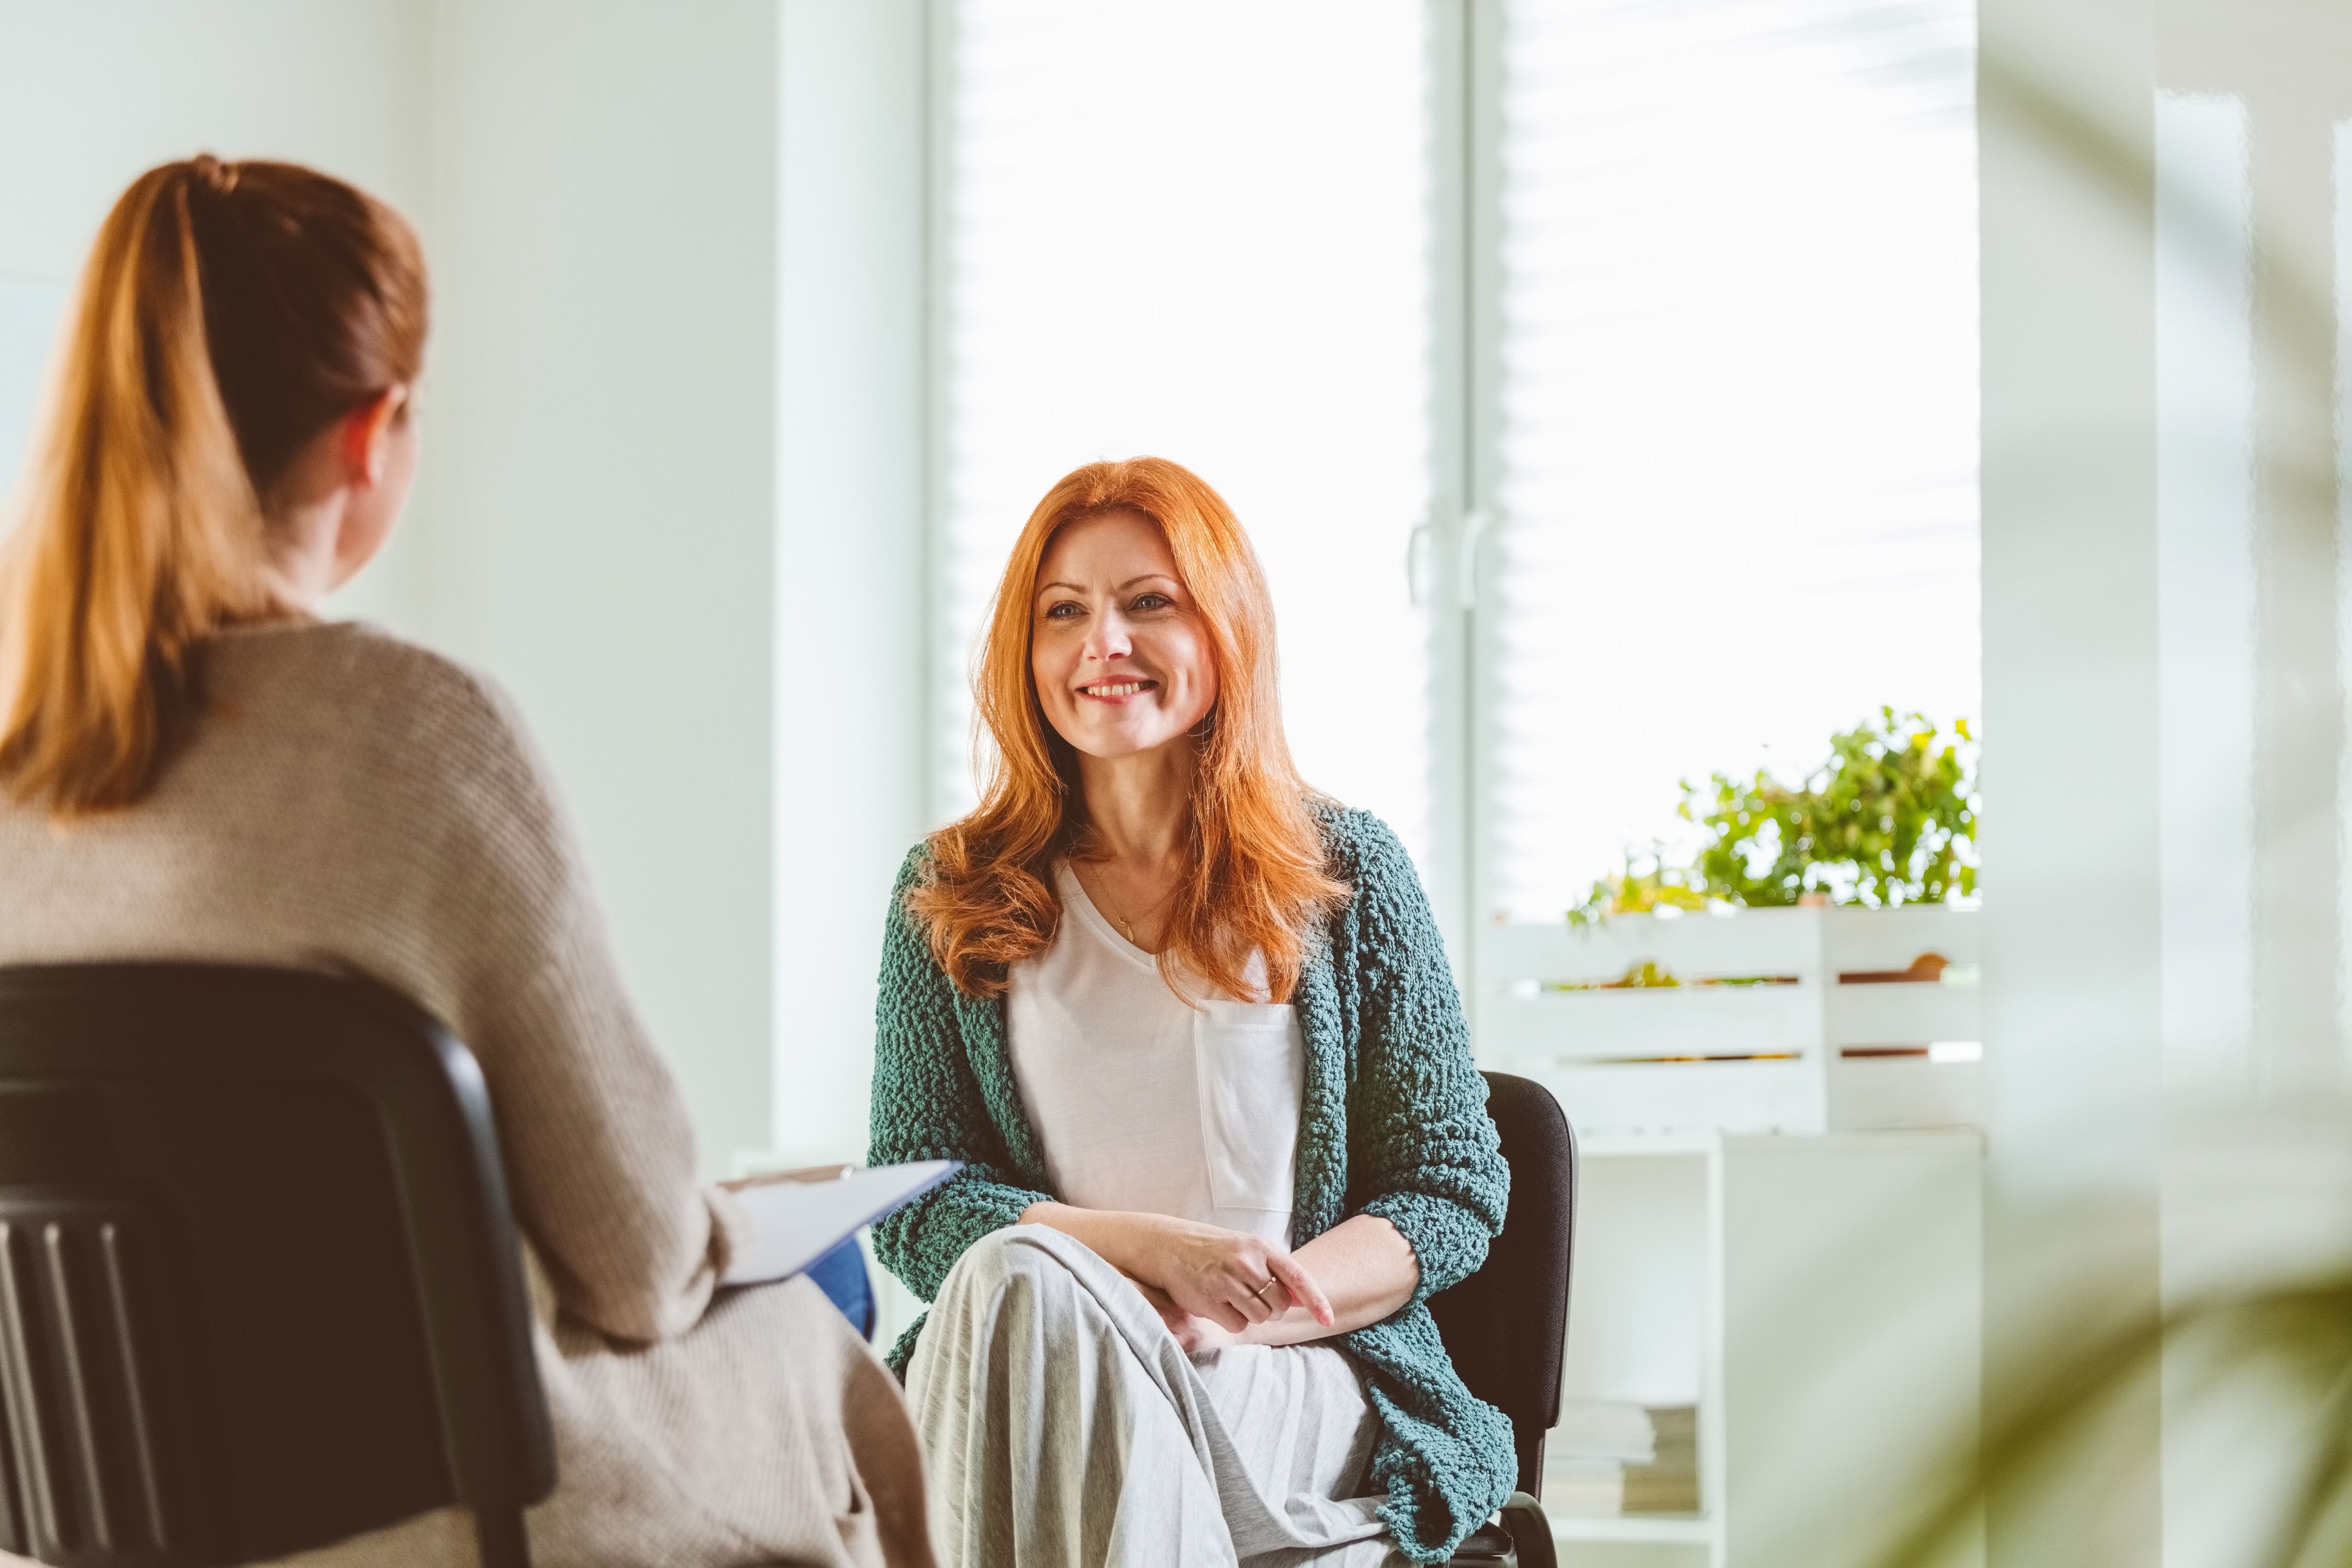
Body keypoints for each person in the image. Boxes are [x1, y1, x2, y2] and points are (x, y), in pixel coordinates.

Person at [0, 156, 931, 1568]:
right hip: (461, 1513)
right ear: (373, 435)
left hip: (114, 1521)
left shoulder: (23, 758)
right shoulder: (418, 739)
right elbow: (638, 1265)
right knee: (837, 1293)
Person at [866, 458, 1515, 1566]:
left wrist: (1241, 1309)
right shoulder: (954, 886)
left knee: (1033, 1357)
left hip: (1281, 1368)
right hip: (1038, 1352)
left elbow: (1451, 1192)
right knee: (1026, 1297)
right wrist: (1137, 1257)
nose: (1101, 644)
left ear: (1226, 632)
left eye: (1147, 604)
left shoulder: (1344, 874)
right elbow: (916, 1200)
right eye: (1063, 611)